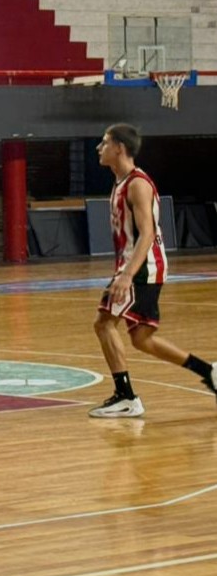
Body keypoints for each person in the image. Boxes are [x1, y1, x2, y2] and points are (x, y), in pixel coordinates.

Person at [88, 123, 216, 417]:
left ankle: (125, 397)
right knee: (142, 339)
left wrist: (127, 274)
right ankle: (208, 372)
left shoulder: (137, 184)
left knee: (103, 323)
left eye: (104, 142)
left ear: (119, 147)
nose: (99, 147)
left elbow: (147, 233)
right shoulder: (122, 182)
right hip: (140, 266)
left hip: (143, 267)